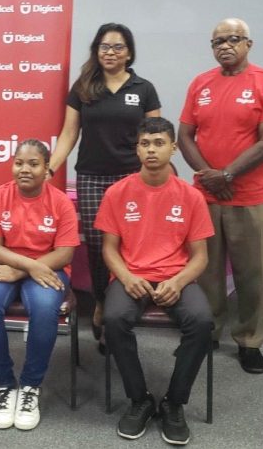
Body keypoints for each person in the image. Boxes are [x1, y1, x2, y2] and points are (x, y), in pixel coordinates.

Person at [178, 18, 263, 374]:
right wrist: (211, 178)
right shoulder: (200, 83)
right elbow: (185, 137)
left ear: (248, 44)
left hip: (250, 196)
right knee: (206, 270)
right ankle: (207, 330)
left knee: (251, 273)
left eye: (232, 39)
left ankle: (249, 341)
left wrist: (228, 174)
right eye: (217, 42)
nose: (224, 46)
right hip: (207, 196)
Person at [95, 117, 214, 445]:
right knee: (115, 318)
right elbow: (109, 249)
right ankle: (140, 400)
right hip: (131, 276)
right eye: (145, 143)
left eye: (159, 143)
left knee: (203, 322)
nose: (151, 150)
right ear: (137, 149)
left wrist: (177, 281)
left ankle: (174, 403)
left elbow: (200, 256)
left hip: (177, 276)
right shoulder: (117, 192)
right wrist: (127, 276)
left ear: (173, 147)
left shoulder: (191, 196)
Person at [49, 23, 161, 350]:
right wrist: (51, 166)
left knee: (129, 246)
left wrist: (160, 173)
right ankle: (100, 302)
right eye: (104, 47)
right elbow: (69, 134)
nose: (110, 53)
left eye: (117, 47)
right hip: (92, 177)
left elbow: (154, 134)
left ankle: (120, 310)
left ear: (129, 52)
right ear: (96, 51)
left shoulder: (144, 88)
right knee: (98, 246)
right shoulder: (84, 87)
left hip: (131, 178)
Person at [0, 139, 80, 431]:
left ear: (47, 169)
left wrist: (25, 270)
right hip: (6, 264)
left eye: (33, 163)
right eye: (19, 163)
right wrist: (27, 266)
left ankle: (31, 387)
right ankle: (5, 384)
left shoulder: (60, 202)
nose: (25, 169)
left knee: (46, 308)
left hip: (48, 267)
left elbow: (65, 253)